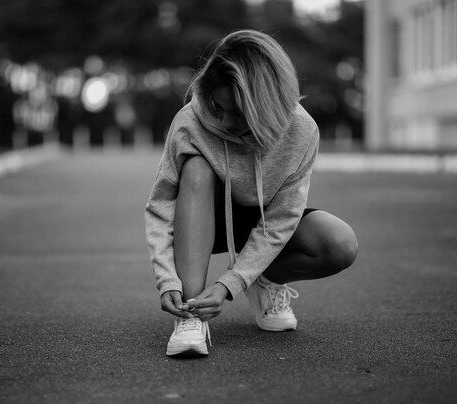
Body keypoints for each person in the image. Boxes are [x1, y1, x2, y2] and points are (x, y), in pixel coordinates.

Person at [144, 29, 358, 357]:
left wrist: (233, 282)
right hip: (203, 221)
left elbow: (284, 216)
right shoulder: (189, 123)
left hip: (265, 217)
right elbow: (161, 205)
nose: (226, 122)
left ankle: (264, 279)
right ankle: (191, 311)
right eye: (218, 106)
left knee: (340, 243)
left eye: (240, 113)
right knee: (197, 168)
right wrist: (168, 281)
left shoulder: (302, 130)